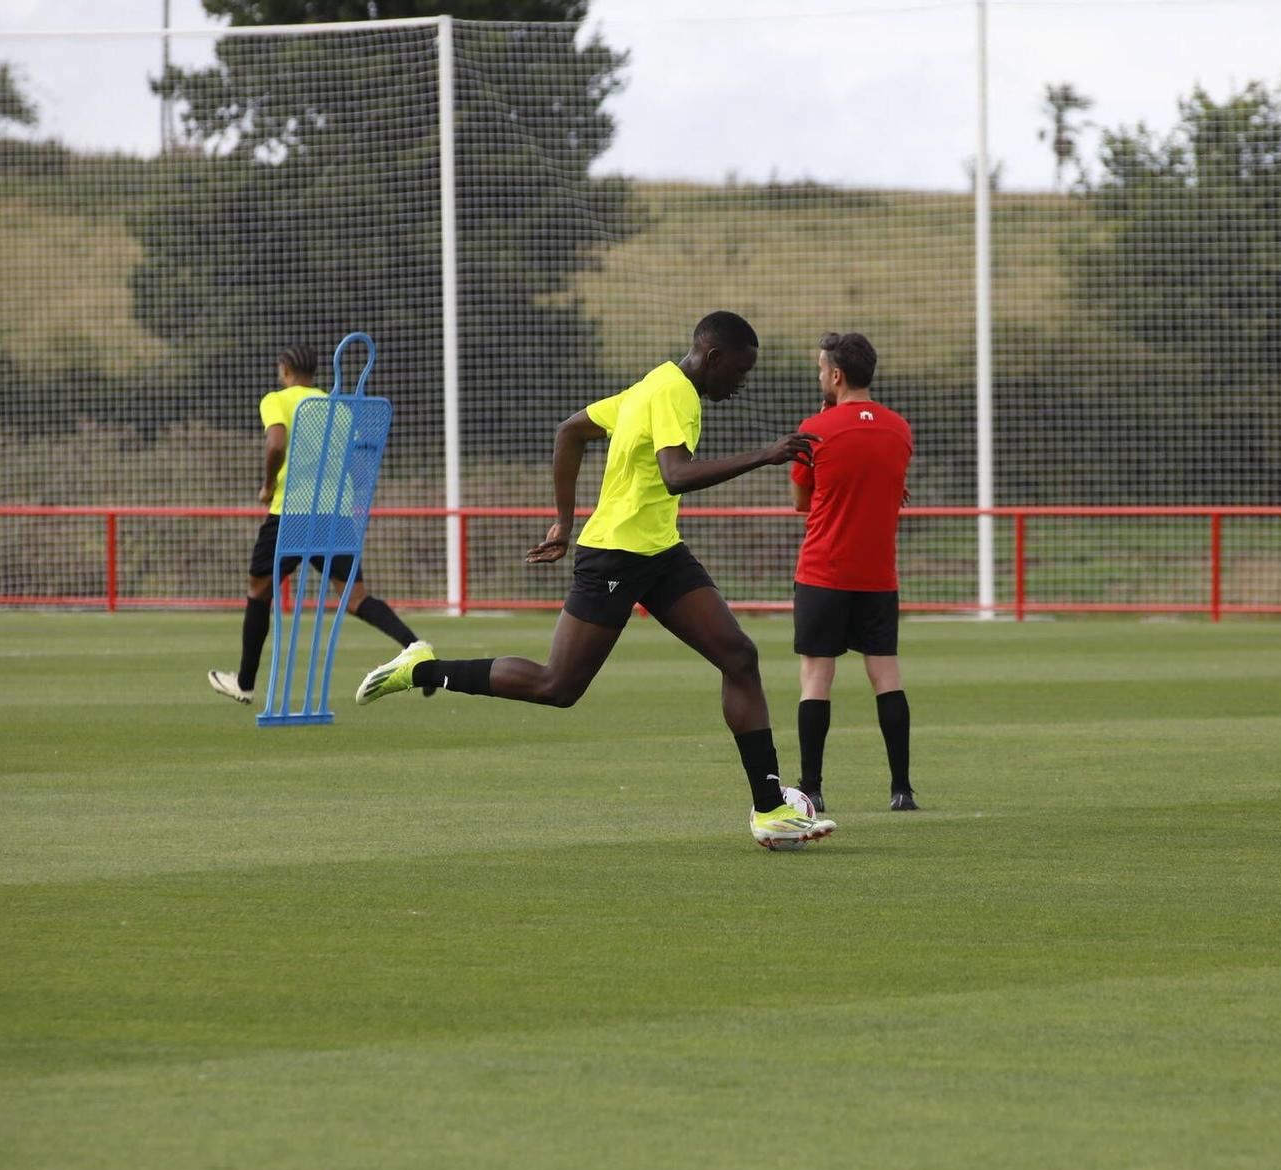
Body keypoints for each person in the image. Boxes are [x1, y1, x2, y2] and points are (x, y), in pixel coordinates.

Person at [355, 311, 837, 851]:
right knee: (556, 686)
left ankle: (770, 807)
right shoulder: (672, 391)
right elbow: (675, 474)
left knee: (738, 657)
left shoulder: (651, 386)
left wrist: (564, 517)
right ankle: (425, 668)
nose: (741, 383)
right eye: (740, 372)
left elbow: (572, 431)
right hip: (615, 557)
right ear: (714, 357)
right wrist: (766, 455)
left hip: (658, 552)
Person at [208, 343, 421, 704]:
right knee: (355, 598)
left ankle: (244, 683)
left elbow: (275, 443)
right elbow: (356, 461)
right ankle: (416, 648)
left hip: (290, 512)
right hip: (333, 513)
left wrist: (268, 484)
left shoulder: (278, 399)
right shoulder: (337, 406)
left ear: (285, 369)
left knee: (259, 590)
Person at [788, 331, 918, 813]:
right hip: (878, 576)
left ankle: (812, 789)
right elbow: (888, 486)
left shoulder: (815, 428)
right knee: (886, 674)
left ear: (837, 375)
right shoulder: (900, 428)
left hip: (824, 570)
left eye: (822, 369)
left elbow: (802, 502)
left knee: (816, 677)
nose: (820, 375)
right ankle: (901, 789)